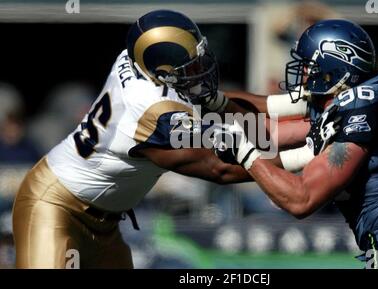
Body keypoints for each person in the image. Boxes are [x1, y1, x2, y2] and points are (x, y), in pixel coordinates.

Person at [12, 10, 256, 269]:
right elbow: (218, 164)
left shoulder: (139, 67)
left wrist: (285, 107)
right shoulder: (151, 110)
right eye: (190, 64)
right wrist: (291, 157)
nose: (200, 68)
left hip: (104, 222)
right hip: (56, 204)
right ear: (163, 69)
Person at [213, 19, 378, 269]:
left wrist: (245, 152)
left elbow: (301, 199)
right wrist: (207, 106)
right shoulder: (352, 99)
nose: (302, 73)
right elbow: (271, 130)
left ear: (333, 66)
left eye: (308, 66)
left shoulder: (358, 111)